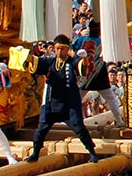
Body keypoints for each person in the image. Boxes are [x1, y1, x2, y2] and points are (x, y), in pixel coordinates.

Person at [25, 34, 100, 162]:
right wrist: (27, 56)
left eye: (63, 48)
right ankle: (35, 153)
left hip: (69, 103)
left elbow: (82, 67)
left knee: (79, 127)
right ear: (54, 49)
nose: (60, 51)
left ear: (67, 49)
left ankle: (92, 152)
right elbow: (36, 62)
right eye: (57, 48)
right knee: (41, 129)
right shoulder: (49, 62)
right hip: (51, 102)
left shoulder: (72, 62)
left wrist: (84, 60)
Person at [78, 44, 125, 130]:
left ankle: (119, 121)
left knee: (76, 99)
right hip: (91, 73)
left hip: (96, 74)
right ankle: (119, 121)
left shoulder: (96, 42)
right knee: (111, 99)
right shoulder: (94, 42)